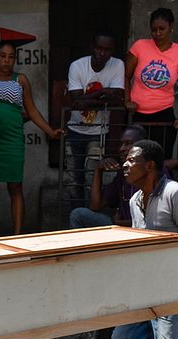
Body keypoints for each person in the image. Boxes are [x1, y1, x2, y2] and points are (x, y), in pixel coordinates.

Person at [113, 139, 178, 339]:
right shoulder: (135, 200)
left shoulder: (173, 193)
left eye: (131, 160)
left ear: (149, 165)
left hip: (172, 290)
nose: (125, 165)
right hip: (145, 288)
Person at [0, 42, 63, 237]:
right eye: (3, 56)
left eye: (11, 57)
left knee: (15, 186)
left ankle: (17, 235)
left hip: (12, 141)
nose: (7, 60)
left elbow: (31, 110)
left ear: (15, 59)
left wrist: (50, 131)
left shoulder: (21, 80)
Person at [66, 31, 125, 207]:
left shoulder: (117, 65)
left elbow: (116, 98)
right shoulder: (77, 66)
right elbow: (75, 101)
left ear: (113, 50)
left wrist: (86, 99)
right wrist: (102, 92)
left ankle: (88, 217)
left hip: (98, 131)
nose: (102, 53)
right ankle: (75, 217)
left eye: (107, 49)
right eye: (99, 48)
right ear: (92, 47)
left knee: (92, 177)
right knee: (73, 178)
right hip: (74, 130)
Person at [69, 124, 147, 228]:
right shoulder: (122, 175)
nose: (122, 149)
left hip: (143, 232)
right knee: (78, 214)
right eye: (121, 144)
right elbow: (95, 206)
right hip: (121, 227)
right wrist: (98, 170)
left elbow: (149, 222)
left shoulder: (153, 172)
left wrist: (119, 223)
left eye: (128, 143)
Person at [125, 8, 178, 159]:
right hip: (136, 115)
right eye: (154, 30)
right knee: (135, 160)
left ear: (171, 27)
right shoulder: (139, 47)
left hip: (164, 116)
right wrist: (127, 101)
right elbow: (126, 75)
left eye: (162, 29)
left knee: (160, 160)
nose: (157, 33)